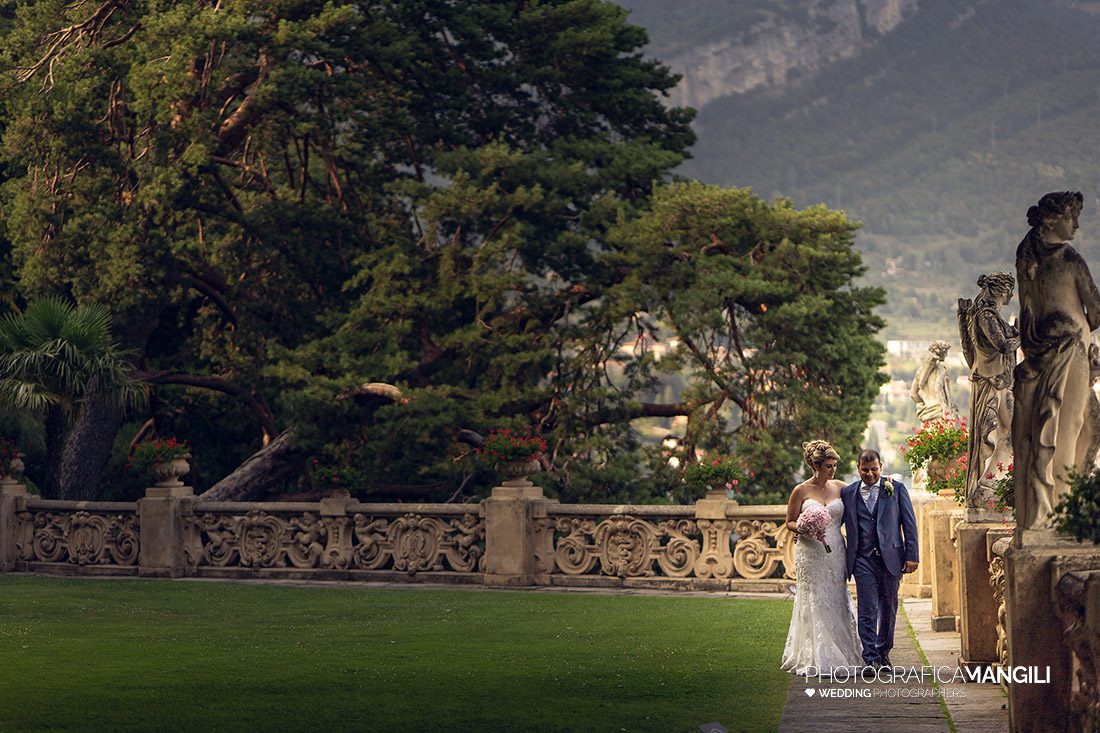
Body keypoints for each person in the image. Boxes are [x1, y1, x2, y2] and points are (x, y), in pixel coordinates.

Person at [1013, 191, 1100, 529]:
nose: (1076, 224)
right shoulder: (1069, 259)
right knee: (1073, 428)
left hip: (1038, 349)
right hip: (1070, 350)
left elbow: (1028, 306)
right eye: (1071, 217)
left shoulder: (1026, 253)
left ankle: (1046, 511)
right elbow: (1095, 309)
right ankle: (1065, 511)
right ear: (1052, 219)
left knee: (1047, 430)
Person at [780, 440, 862, 674]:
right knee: (814, 598)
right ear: (815, 465)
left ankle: (845, 650)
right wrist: (804, 528)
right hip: (810, 552)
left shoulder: (841, 488)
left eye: (834, 465)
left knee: (836, 595)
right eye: (828, 465)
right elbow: (790, 522)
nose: (833, 469)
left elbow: (862, 501)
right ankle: (815, 654)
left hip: (835, 549)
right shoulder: (801, 490)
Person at [841, 449, 919, 668]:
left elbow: (909, 525)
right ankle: (870, 658)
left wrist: (912, 556)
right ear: (858, 468)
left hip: (891, 558)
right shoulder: (848, 493)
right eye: (864, 470)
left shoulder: (896, 489)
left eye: (874, 469)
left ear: (881, 467)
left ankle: (883, 653)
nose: (869, 474)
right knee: (866, 608)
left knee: (888, 607)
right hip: (862, 559)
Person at [957, 272, 1019, 507]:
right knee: (1005, 433)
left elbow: (968, 351)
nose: (1012, 295)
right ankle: (987, 487)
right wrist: (1022, 336)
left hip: (992, 381)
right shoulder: (986, 315)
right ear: (1003, 291)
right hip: (994, 382)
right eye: (1011, 290)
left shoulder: (978, 314)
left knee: (1007, 433)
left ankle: (991, 484)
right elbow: (1003, 345)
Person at [910, 340, 955, 423]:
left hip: (926, 412)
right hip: (940, 411)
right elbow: (947, 397)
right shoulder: (942, 371)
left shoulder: (920, 371)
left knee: (928, 435)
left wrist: (924, 404)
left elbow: (913, 394)